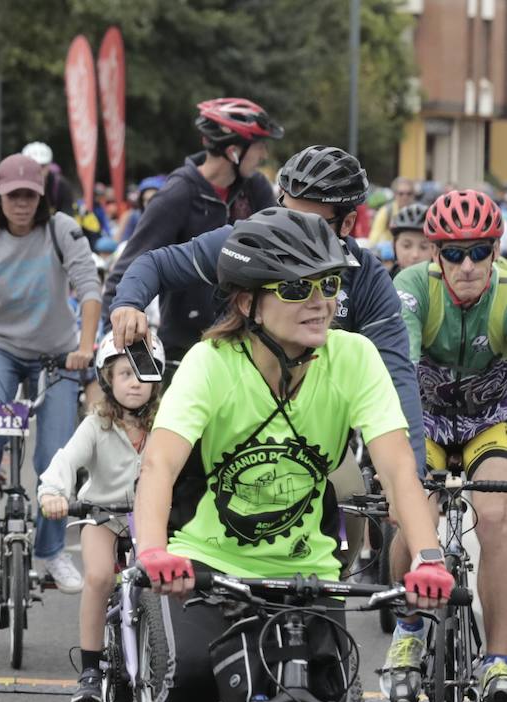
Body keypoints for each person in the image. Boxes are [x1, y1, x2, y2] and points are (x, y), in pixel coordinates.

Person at [111, 209, 451, 702]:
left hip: (306, 570)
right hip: (209, 562)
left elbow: (395, 470)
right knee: (197, 676)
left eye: (329, 284)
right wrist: (153, 550)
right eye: (299, 288)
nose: (321, 300)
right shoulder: (211, 363)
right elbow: (159, 469)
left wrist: (430, 555)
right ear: (249, 301)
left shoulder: (351, 359)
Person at [109, 145, 426, 476]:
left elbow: (397, 377)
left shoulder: (367, 277)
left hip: (313, 441)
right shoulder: (244, 243)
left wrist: (412, 478)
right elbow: (154, 264)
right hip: (228, 428)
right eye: (287, 214)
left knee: (366, 506)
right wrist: (128, 304)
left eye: (309, 223)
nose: (290, 230)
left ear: (347, 224)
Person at [0, 152, 102, 591]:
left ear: (41, 197)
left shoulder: (62, 231)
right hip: (4, 351)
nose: (21, 204)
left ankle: (51, 551)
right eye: (13, 195)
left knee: (55, 456)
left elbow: (89, 288)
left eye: (29, 195)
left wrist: (85, 346)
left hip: (58, 355)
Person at [382, 189, 507, 702]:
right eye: (453, 253)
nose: (468, 264)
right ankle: (407, 626)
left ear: (495, 252)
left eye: (480, 251)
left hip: (489, 418)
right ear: (436, 257)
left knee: (497, 514)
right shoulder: (412, 287)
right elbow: (403, 369)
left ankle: (497, 657)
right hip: (425, 419)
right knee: (414, 514)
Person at [103, 97, 282, 361]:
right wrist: (112, 346)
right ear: (234, 151)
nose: (264, 155)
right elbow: (128, 269)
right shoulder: (177, 195)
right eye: (259, 146)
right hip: (188, 345)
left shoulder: (256, 188)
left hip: (249, 339)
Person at [39, 334, 163, 702]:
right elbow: (65, 460)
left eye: (145, 372)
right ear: (107, 379)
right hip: (102, 516)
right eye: (126, 373)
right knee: (97, 578)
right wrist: (53, 493)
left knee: (168, 581)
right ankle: (91, 672)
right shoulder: (96, 426)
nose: (136, 381)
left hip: (152, 518)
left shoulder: (167, 426)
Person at [21, 141, 77, 214]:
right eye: (32, 165)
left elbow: (67, 216)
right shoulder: (14, 185)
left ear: (49, 165)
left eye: (42, 166)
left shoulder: (62, 186)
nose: (38, 170)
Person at [369, 176, 418, 245]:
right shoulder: (386, 211)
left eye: (409, 194)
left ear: (413, 195)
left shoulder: (418, 211)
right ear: (395, 194)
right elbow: (374, 237)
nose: (405, 197)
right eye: (401, 194)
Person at [388, 201, 432, 275]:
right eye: (406, 246)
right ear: (394, 246)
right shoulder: (380, 283)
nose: (415, 255)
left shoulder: (443, 285)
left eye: (424, 247)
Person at [120, 174, 166, 241]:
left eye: (153, 199)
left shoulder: (169, 218)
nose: (149, 203)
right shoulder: (135, 216)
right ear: (140, 201)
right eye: (145, 200)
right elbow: (125, 241)